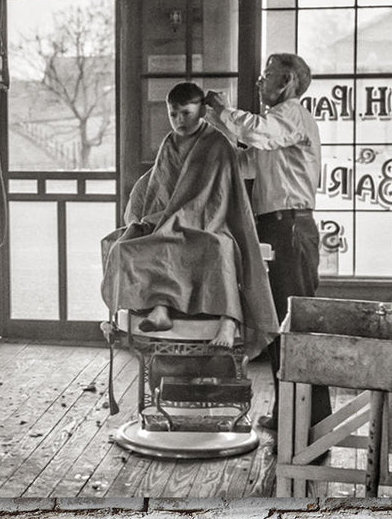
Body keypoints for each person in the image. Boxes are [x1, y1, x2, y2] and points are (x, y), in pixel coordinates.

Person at [101, 82, 277, 354]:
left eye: (186, 113)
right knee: (123, 248)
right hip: (168, 220)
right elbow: (160, 192)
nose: (179, 121)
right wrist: (163, 222)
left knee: (218, 248)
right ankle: (160, 308)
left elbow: (217, 196)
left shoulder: (217, 143)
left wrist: (183, 220)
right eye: (174, 114)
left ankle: (229, 319)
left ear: (202, 112)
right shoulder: (170, 143)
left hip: (211, 222)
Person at [203, 53, 326, 431]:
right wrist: (209, 141)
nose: (259, 82)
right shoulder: (278, 125)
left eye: (265, 75)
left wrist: (224, 113)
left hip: (290, 228)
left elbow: (257, 132)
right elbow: (247, 163)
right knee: (277, 325)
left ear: (286, 82)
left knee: (294, 325)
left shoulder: (290, 114)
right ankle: (293, 412)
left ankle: (310, 416)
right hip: (276, 229)